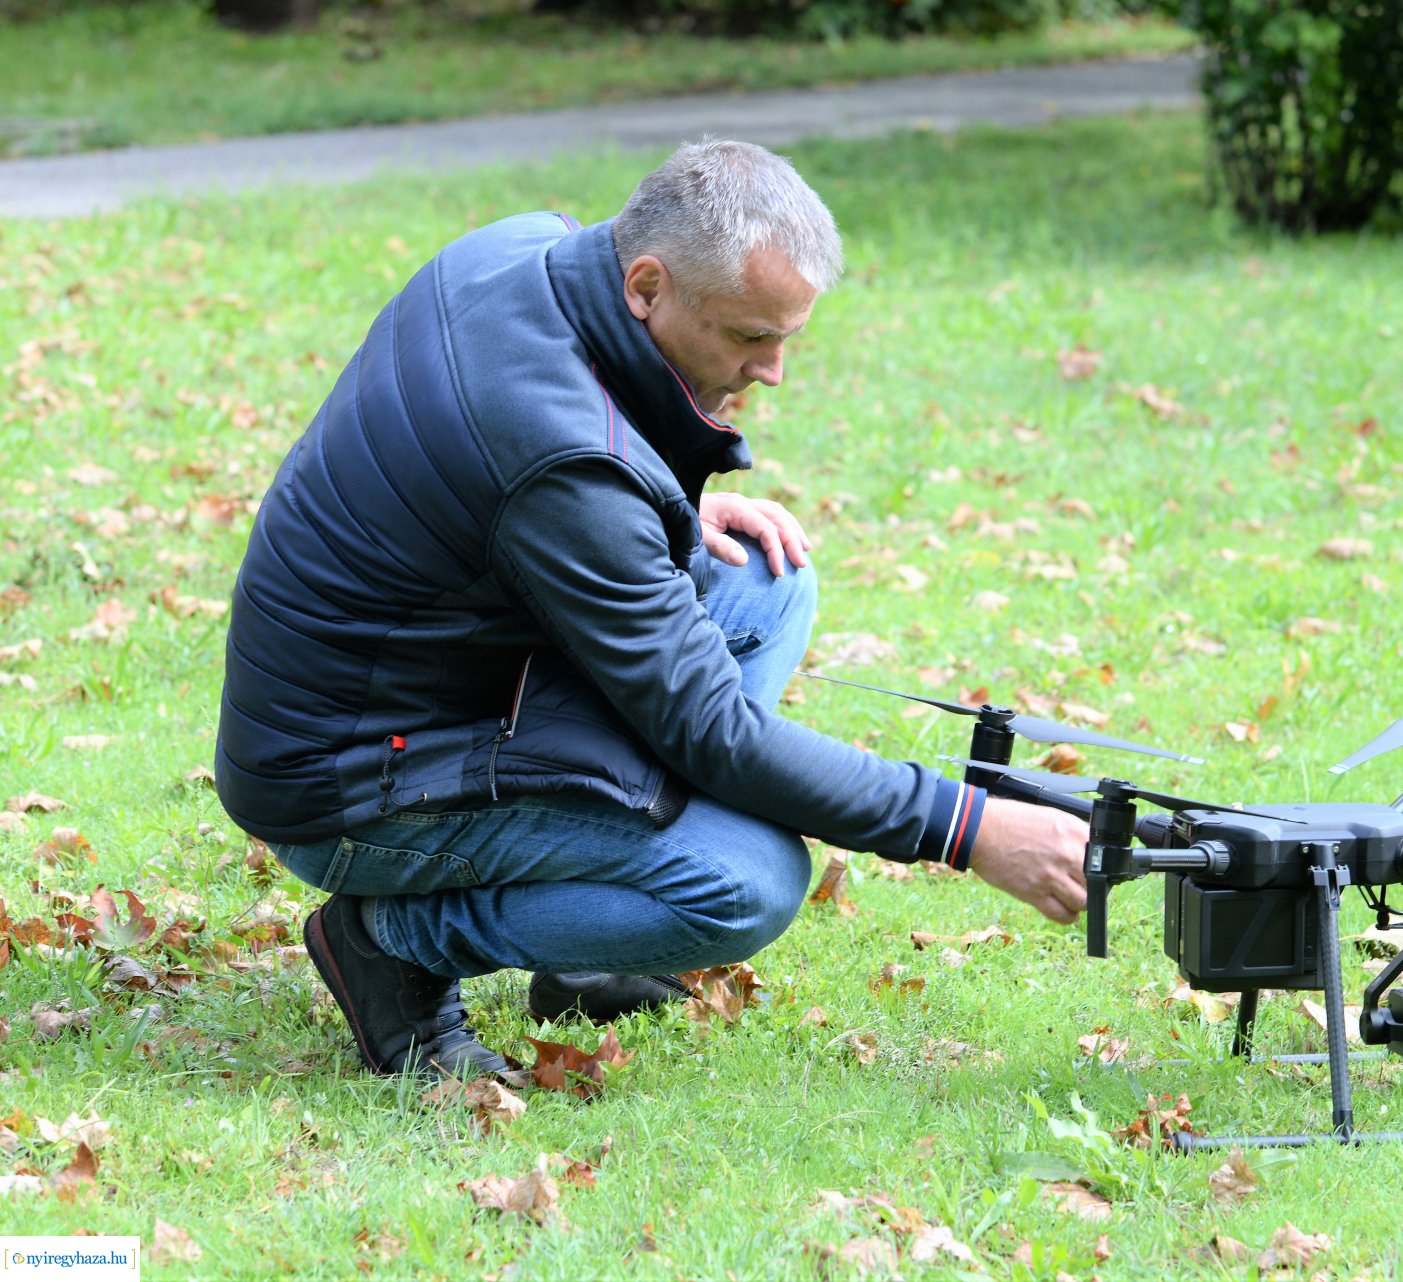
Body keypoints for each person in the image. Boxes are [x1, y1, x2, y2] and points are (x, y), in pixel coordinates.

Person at [215, 139, 1090, 1079]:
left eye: (786, 336)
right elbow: (713, 731)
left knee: (768, 581)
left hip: (432, 684)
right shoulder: (562, 467)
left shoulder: (525, 247)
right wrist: (969, 827)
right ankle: (394, 945)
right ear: (646, 286)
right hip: (349, 785)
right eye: (750, 336)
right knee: (746, 882)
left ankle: (587, 947)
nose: (774, 369)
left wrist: (655, 511)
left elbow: (503, 484)